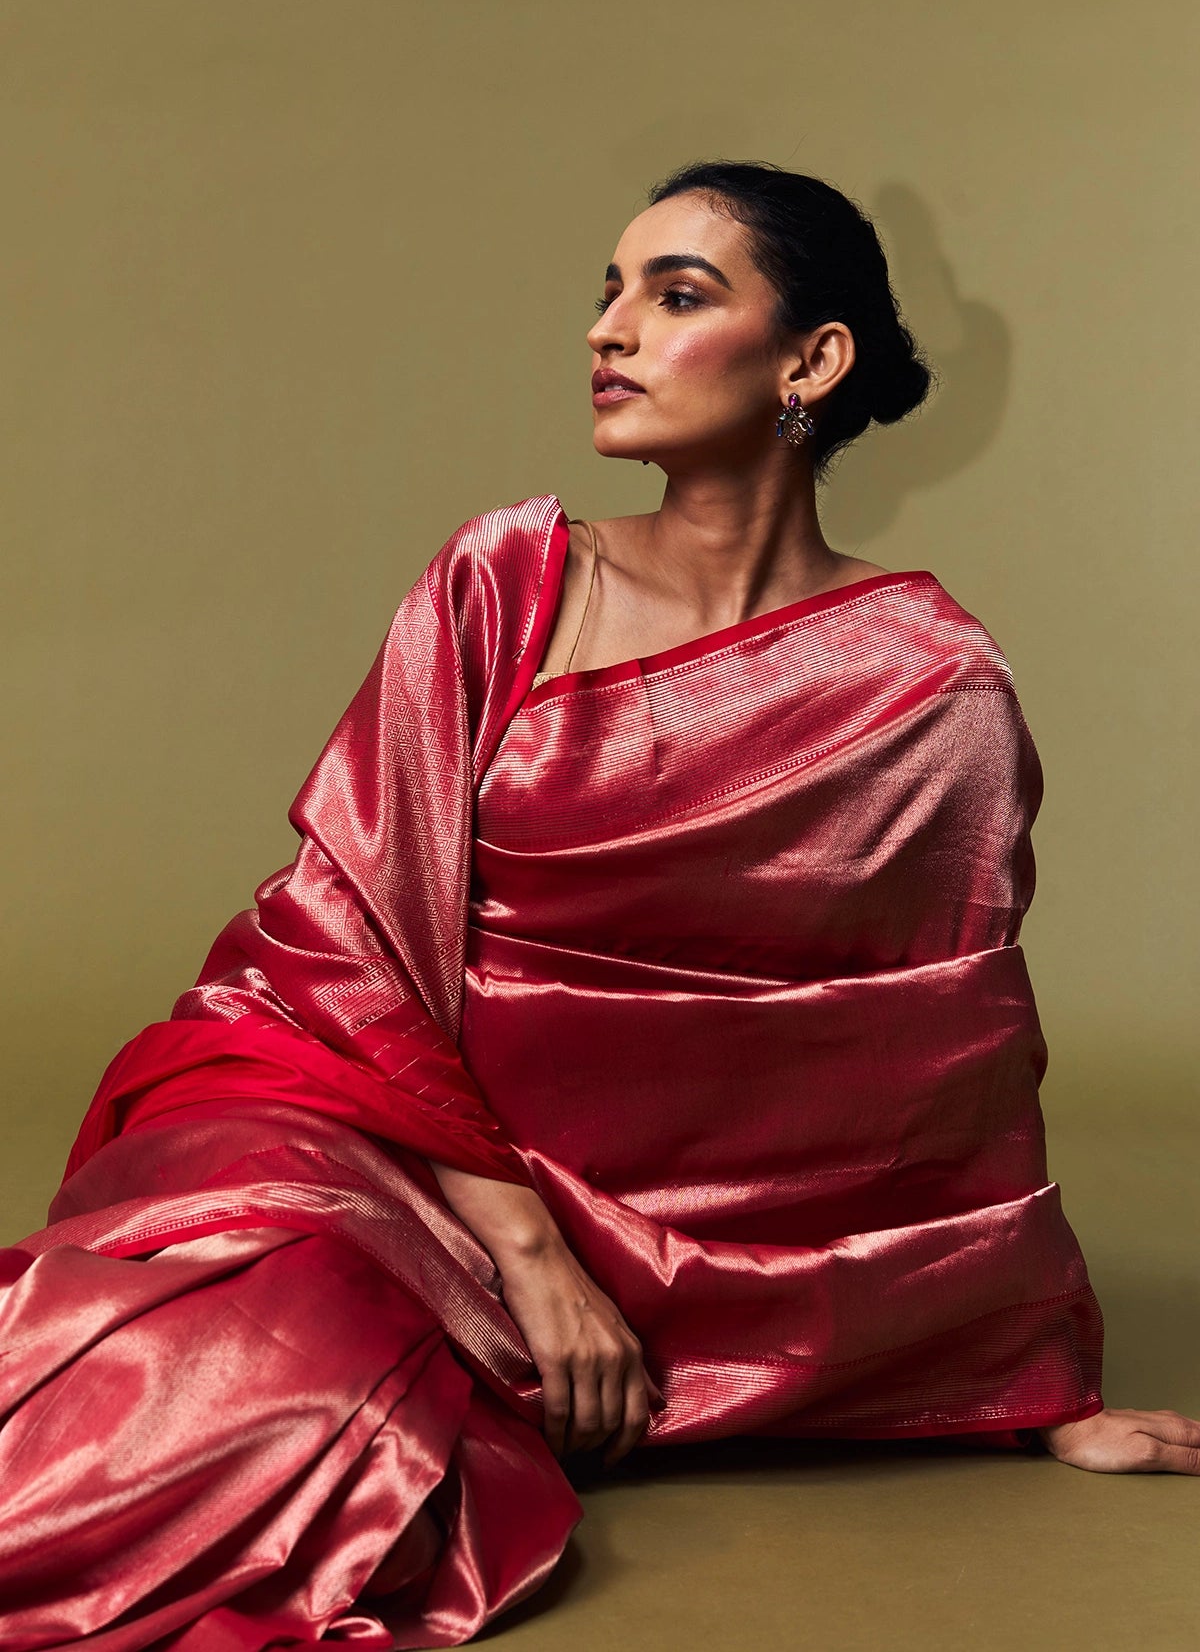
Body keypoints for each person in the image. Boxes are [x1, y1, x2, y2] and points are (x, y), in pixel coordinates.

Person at [1, 160, 1195, 1650]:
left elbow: (935, 1068)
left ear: (811, 361)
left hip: (657, 1254)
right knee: (189, 1360)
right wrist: (530, 1258)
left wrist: (1032, 1391)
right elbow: (351, 934)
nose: (609, 330)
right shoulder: (504, 582)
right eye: (608, 292)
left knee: (327, 1434)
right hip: (390, 1144)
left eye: (677, 294)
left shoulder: (927, 685)